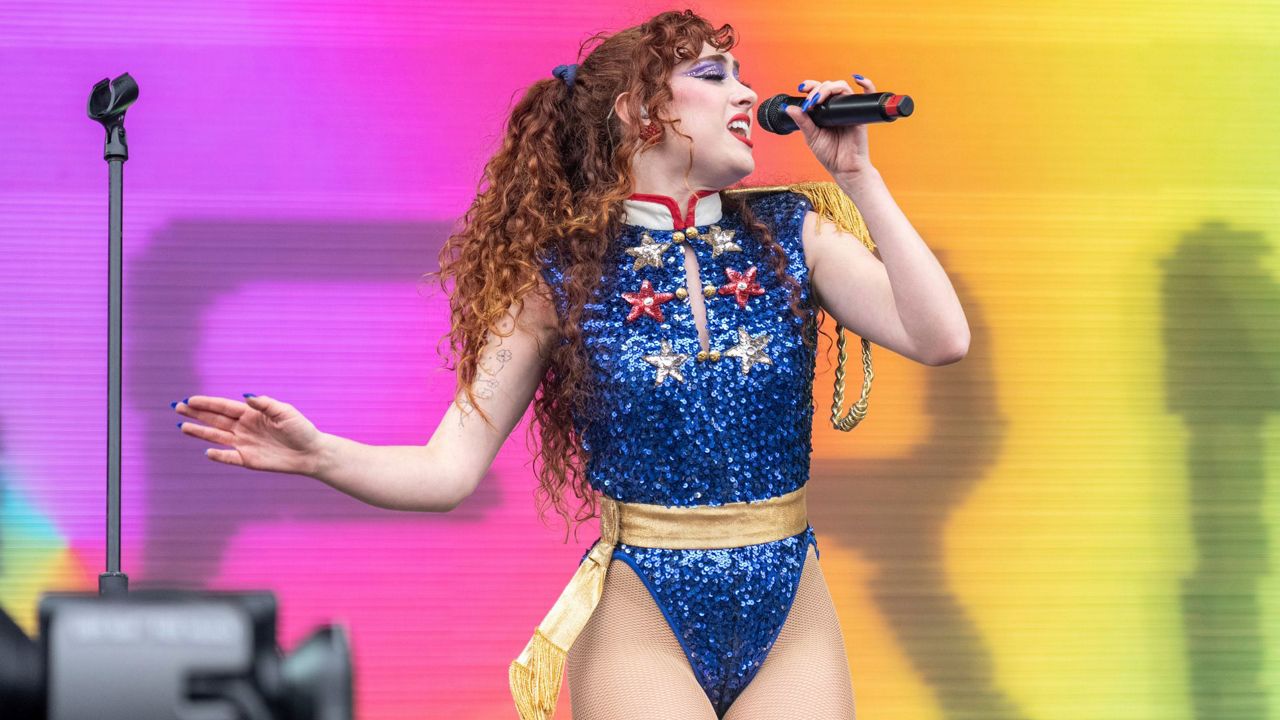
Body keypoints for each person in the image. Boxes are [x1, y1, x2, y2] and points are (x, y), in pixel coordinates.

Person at [172, 9, 969, 719]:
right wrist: (319, 455)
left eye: (743, 76)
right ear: (637, 112)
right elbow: (446, 472)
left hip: (791, 601)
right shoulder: (560, 273)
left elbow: (941, 338)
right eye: (712, 74)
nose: (744, 95)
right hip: (643, 610)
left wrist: (857, 173)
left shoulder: (797, 230)